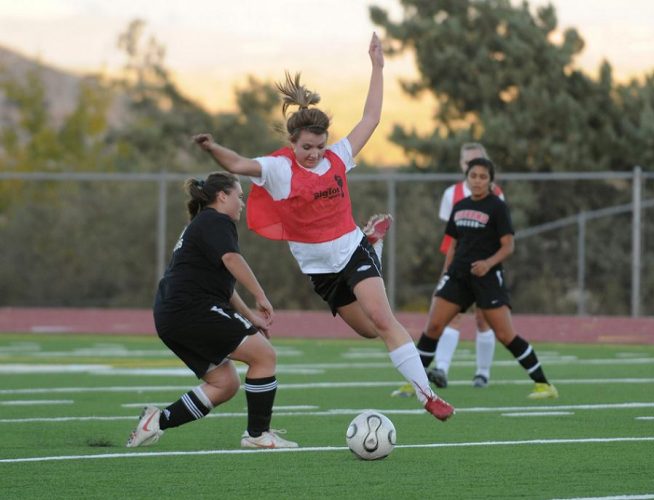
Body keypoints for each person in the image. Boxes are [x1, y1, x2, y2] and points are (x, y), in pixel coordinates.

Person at [192, 33, 454, 421]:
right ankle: (375, 244)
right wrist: (213, 148)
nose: (315, 155)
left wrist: (378, 66)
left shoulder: (338, 156)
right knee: (367, 331)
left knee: (384, 321)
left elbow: (371, 118)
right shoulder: (279, 168)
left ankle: (427, 394)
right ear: (292, 143)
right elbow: (239, 165)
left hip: (351, 250)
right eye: (307, 148)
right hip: (321, 270)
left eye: (320, 146)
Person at [126, 171, 298, 449]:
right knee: (264, 355)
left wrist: (250, 315)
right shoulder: (217, 220)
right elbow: (232, 259)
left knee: (224, 384)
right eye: (239, 197)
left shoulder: (203, 223)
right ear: (222, 196)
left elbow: (223, 286)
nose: (242, 203)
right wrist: (260, 295)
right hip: (191, 310)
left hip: (174, 314)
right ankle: (257, 435)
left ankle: (156, 422)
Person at [402, 158, 559, 400]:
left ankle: (544, 385)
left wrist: (488, 264)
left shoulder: (497, 207)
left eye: (483, 177)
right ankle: (415, 384)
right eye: (473, 175)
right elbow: (453, 245)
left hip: (487, 279)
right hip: (458, 277)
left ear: (490, 181)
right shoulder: (460, 205)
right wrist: (445, 275)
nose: (477, 180)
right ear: (467, 177)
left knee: (506, 335)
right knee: (433, 327)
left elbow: (508, 246)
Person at [392, 143, 502, 398]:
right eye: (467, 164)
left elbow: (499, 234)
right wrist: (448, 269)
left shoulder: (496, 195)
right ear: (462, 166)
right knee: (450, 315)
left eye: (477, 162)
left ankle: (482, 372)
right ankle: (441, 369)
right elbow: (452, 238)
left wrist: (490, 264)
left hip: (484, 266)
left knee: (483, 318)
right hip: (459, 266)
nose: (471, 168)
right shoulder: (451, 194)